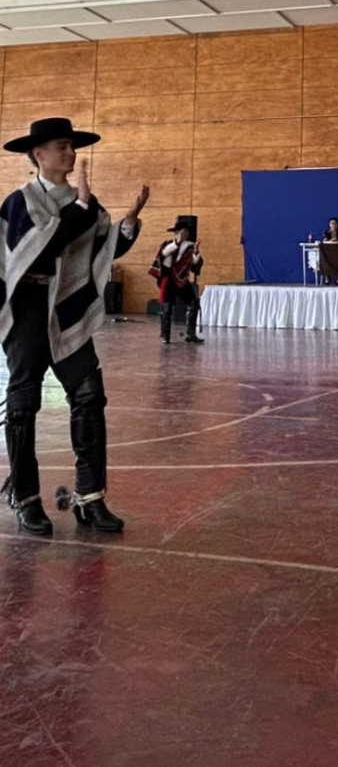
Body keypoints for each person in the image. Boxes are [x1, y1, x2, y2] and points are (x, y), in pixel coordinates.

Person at [0, 117, 149, 535]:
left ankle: (90, 498)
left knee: (89, 396)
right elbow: (42, 249)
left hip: (67, 311)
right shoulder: (19, 202)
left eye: (71, 146)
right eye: (61, 146)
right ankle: (25, 497)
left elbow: (103, 249)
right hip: (28, 308)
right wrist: (80, 208)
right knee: (23, 403)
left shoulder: (86, 203)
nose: (70, 153)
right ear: (38, 154)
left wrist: (129, 221)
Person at [150, 216, 204, 345]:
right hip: (169, 280)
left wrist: (196, 253)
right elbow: (163, 254)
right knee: (167, 308)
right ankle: (165, 335)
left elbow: (195, 263)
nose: (185, 234)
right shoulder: (167, 244)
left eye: (186, 231)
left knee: (194, 303)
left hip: (182, 281)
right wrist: (177, 243)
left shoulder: (190, 247)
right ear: (176, 233)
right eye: (182, 231)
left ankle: (191, 334)